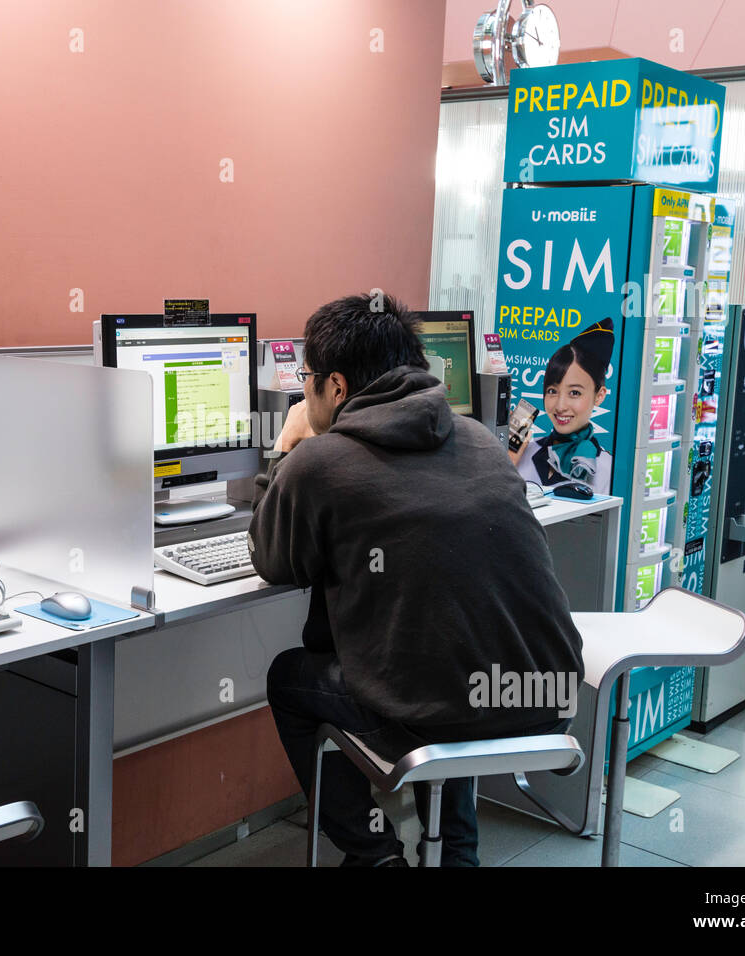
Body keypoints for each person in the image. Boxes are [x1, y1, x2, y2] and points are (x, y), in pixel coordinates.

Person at [249, 293, 585, 867]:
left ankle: (376, 857)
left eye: (307, 378)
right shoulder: (479, 439)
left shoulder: (320, 462)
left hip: (441, 706)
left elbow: (272, 558)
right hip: (546, 696)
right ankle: (458, 856)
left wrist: (284, 448)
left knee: (291, 677)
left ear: (333, 387)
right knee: (454, 656)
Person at [510, 318, 615, 494]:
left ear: (599, 396)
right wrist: (507, 463)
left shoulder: (608, 470)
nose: (560, 406)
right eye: (552, 391)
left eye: (574, 393)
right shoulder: (523, 453)